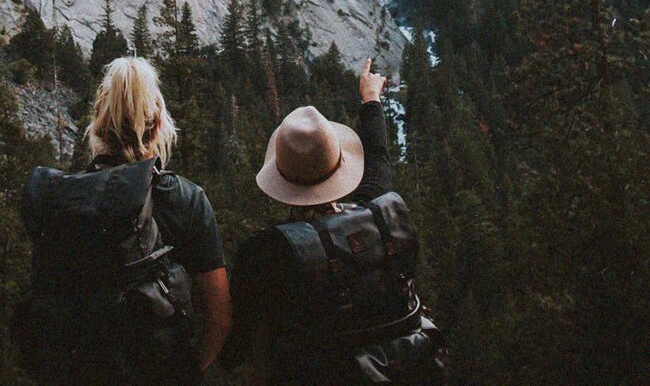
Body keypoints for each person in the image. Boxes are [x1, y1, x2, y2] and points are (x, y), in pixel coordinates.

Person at [222, 58, 446, 386]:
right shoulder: (374, 216)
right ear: (339, 168)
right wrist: (371, 99)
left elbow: (236, 344)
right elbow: (379, 160)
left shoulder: (267, 252)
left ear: (280, 182)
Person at [18, 55, 231, 386]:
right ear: (159, 123)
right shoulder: (184, 197)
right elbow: (219, 315)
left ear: (97, 126)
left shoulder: (64, 200)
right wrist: (190, 370)